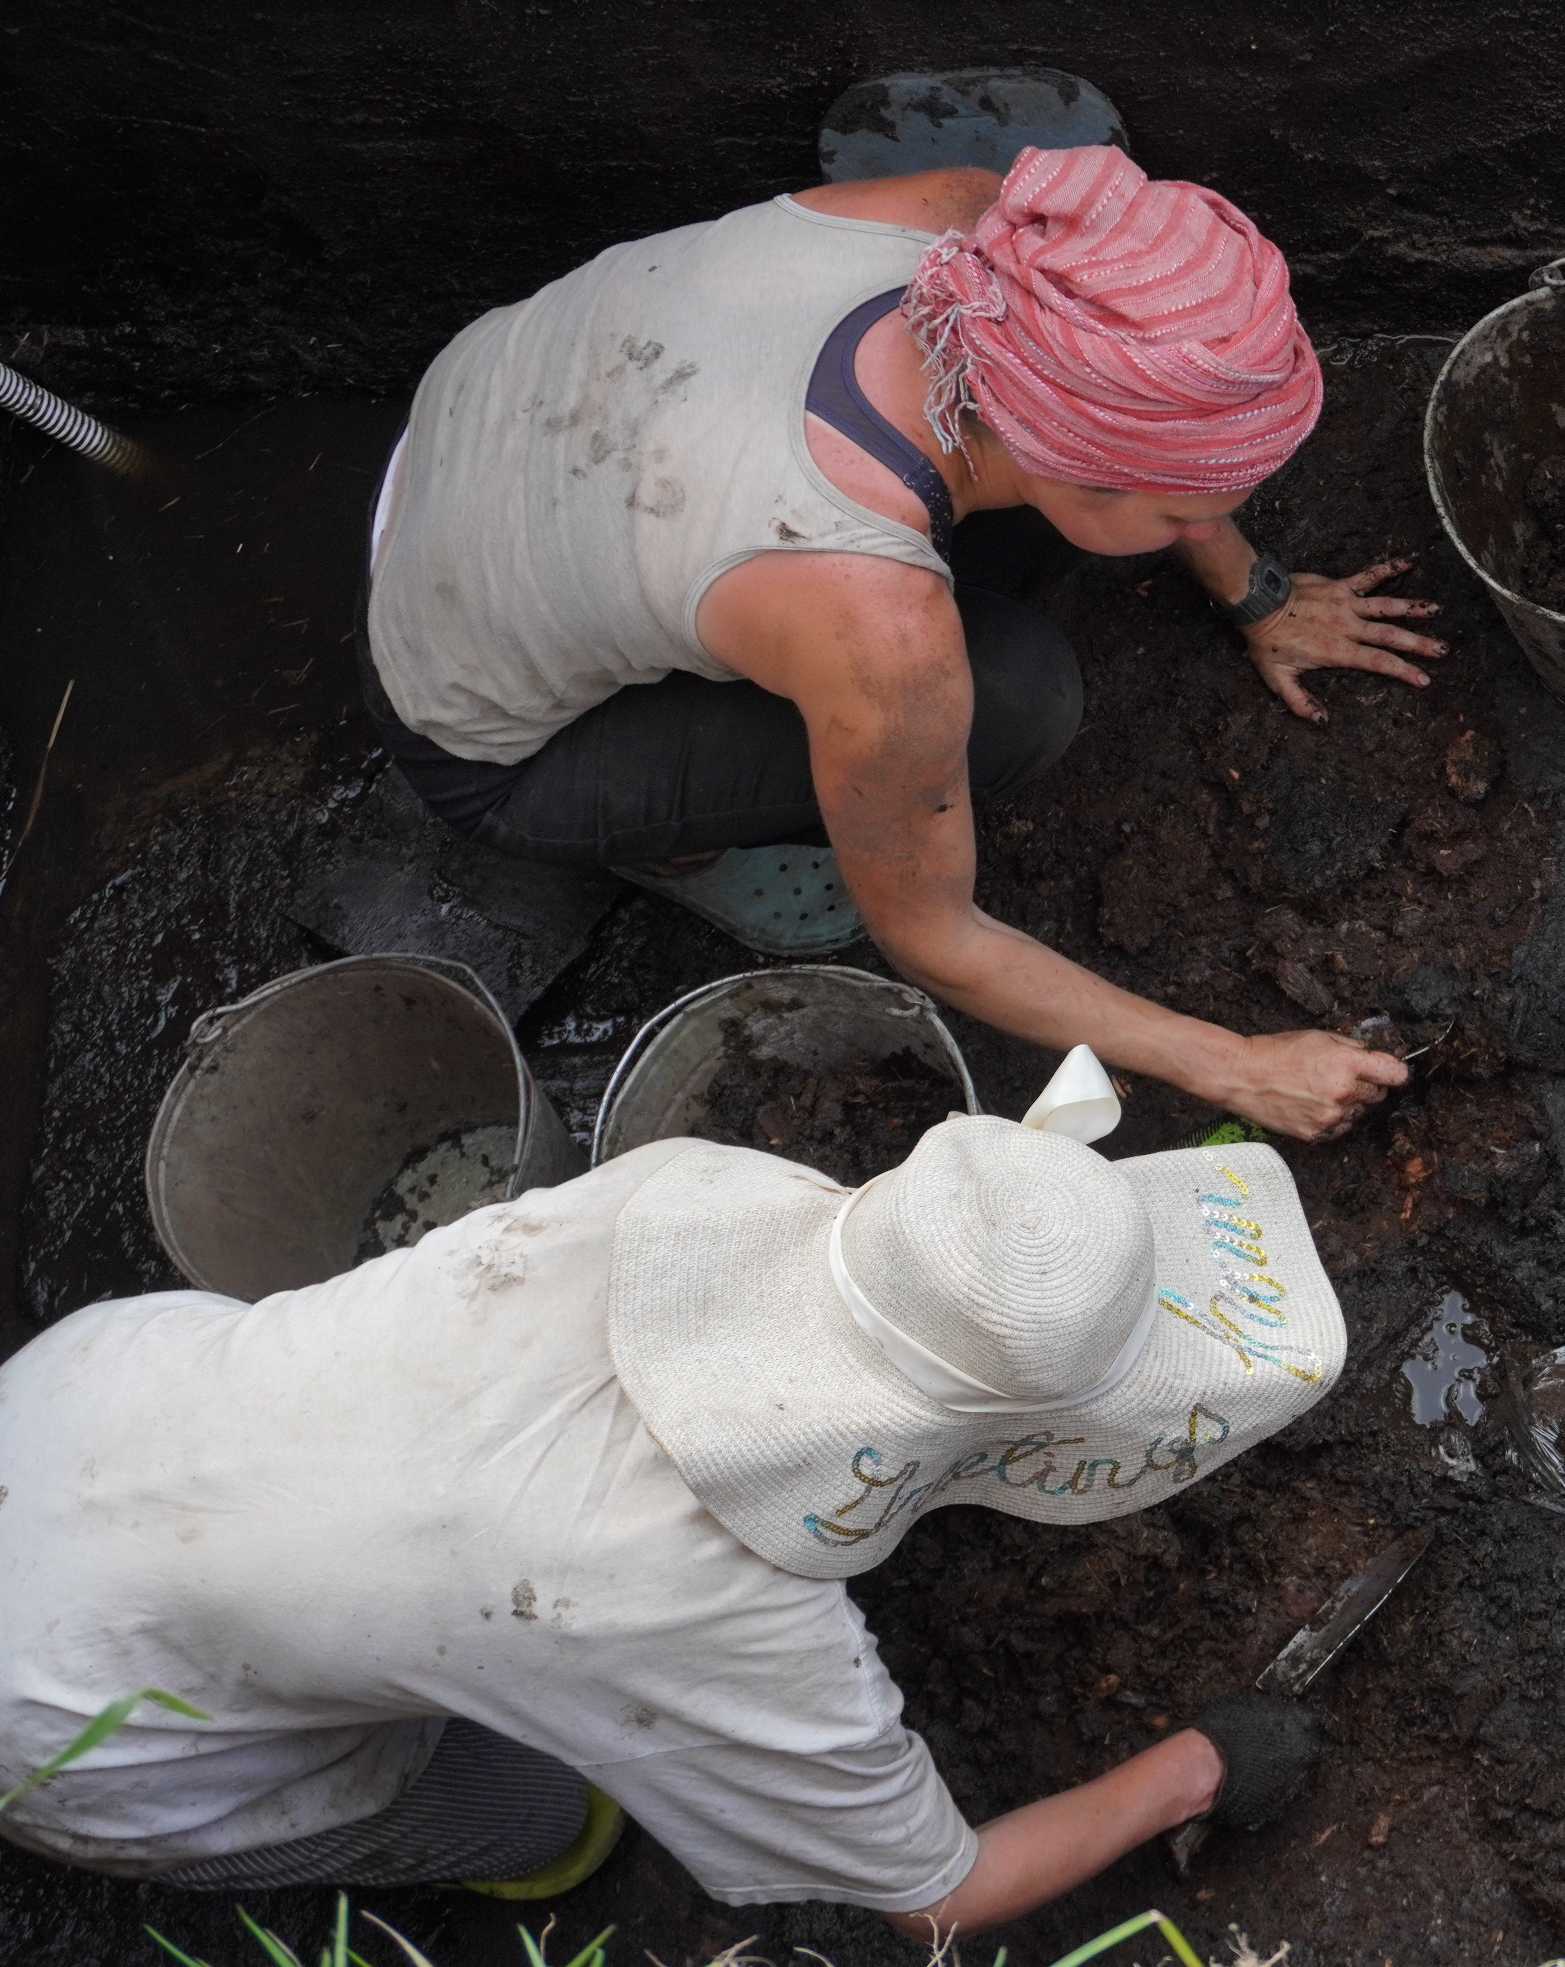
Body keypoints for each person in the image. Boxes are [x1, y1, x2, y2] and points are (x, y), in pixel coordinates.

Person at [0, 1114, 1343, 1940]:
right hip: (71, 1728)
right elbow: (942, 1895)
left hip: (73, 1402)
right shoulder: (702, 1606)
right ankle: (485, 1850)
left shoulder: (688, 1190)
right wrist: (1200, 1769)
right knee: (547, 1814)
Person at [363, 139, 1436, 1134]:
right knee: (1015, 701)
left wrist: (1259, 594)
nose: (1204, 530)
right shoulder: (874, 625)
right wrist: (1232, 1063)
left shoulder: (990, 238)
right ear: (1066, 451)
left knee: (1025, 568)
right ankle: (676, 848)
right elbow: (935, 937)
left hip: (482, 426)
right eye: (1181, 515)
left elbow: (1164, 442)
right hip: (476, 725)